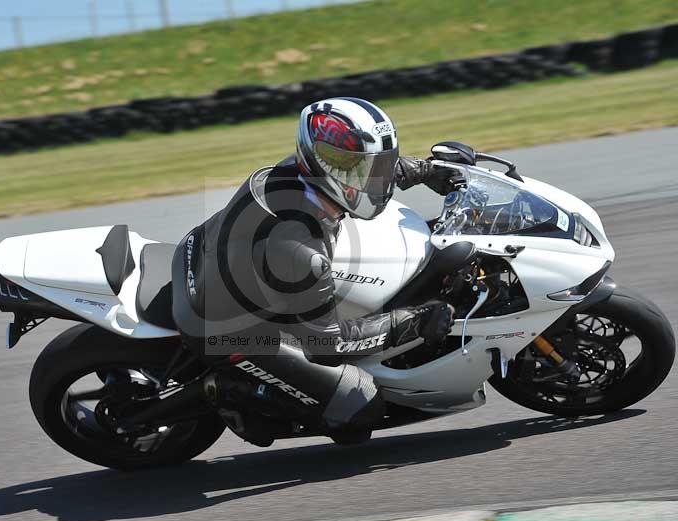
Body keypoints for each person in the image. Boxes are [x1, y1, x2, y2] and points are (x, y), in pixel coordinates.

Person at [172, 97, 467, 445]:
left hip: (205, 254)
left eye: (378, 166)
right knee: (359, 408)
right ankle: (224, 389)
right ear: (328, 166)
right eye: (367, 168)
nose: (376, 178)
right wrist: (410, 322)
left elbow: (365, 171)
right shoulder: (301, 251)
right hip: (225, 328)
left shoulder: (301, 173)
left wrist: (426, 170)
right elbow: (326, 344)